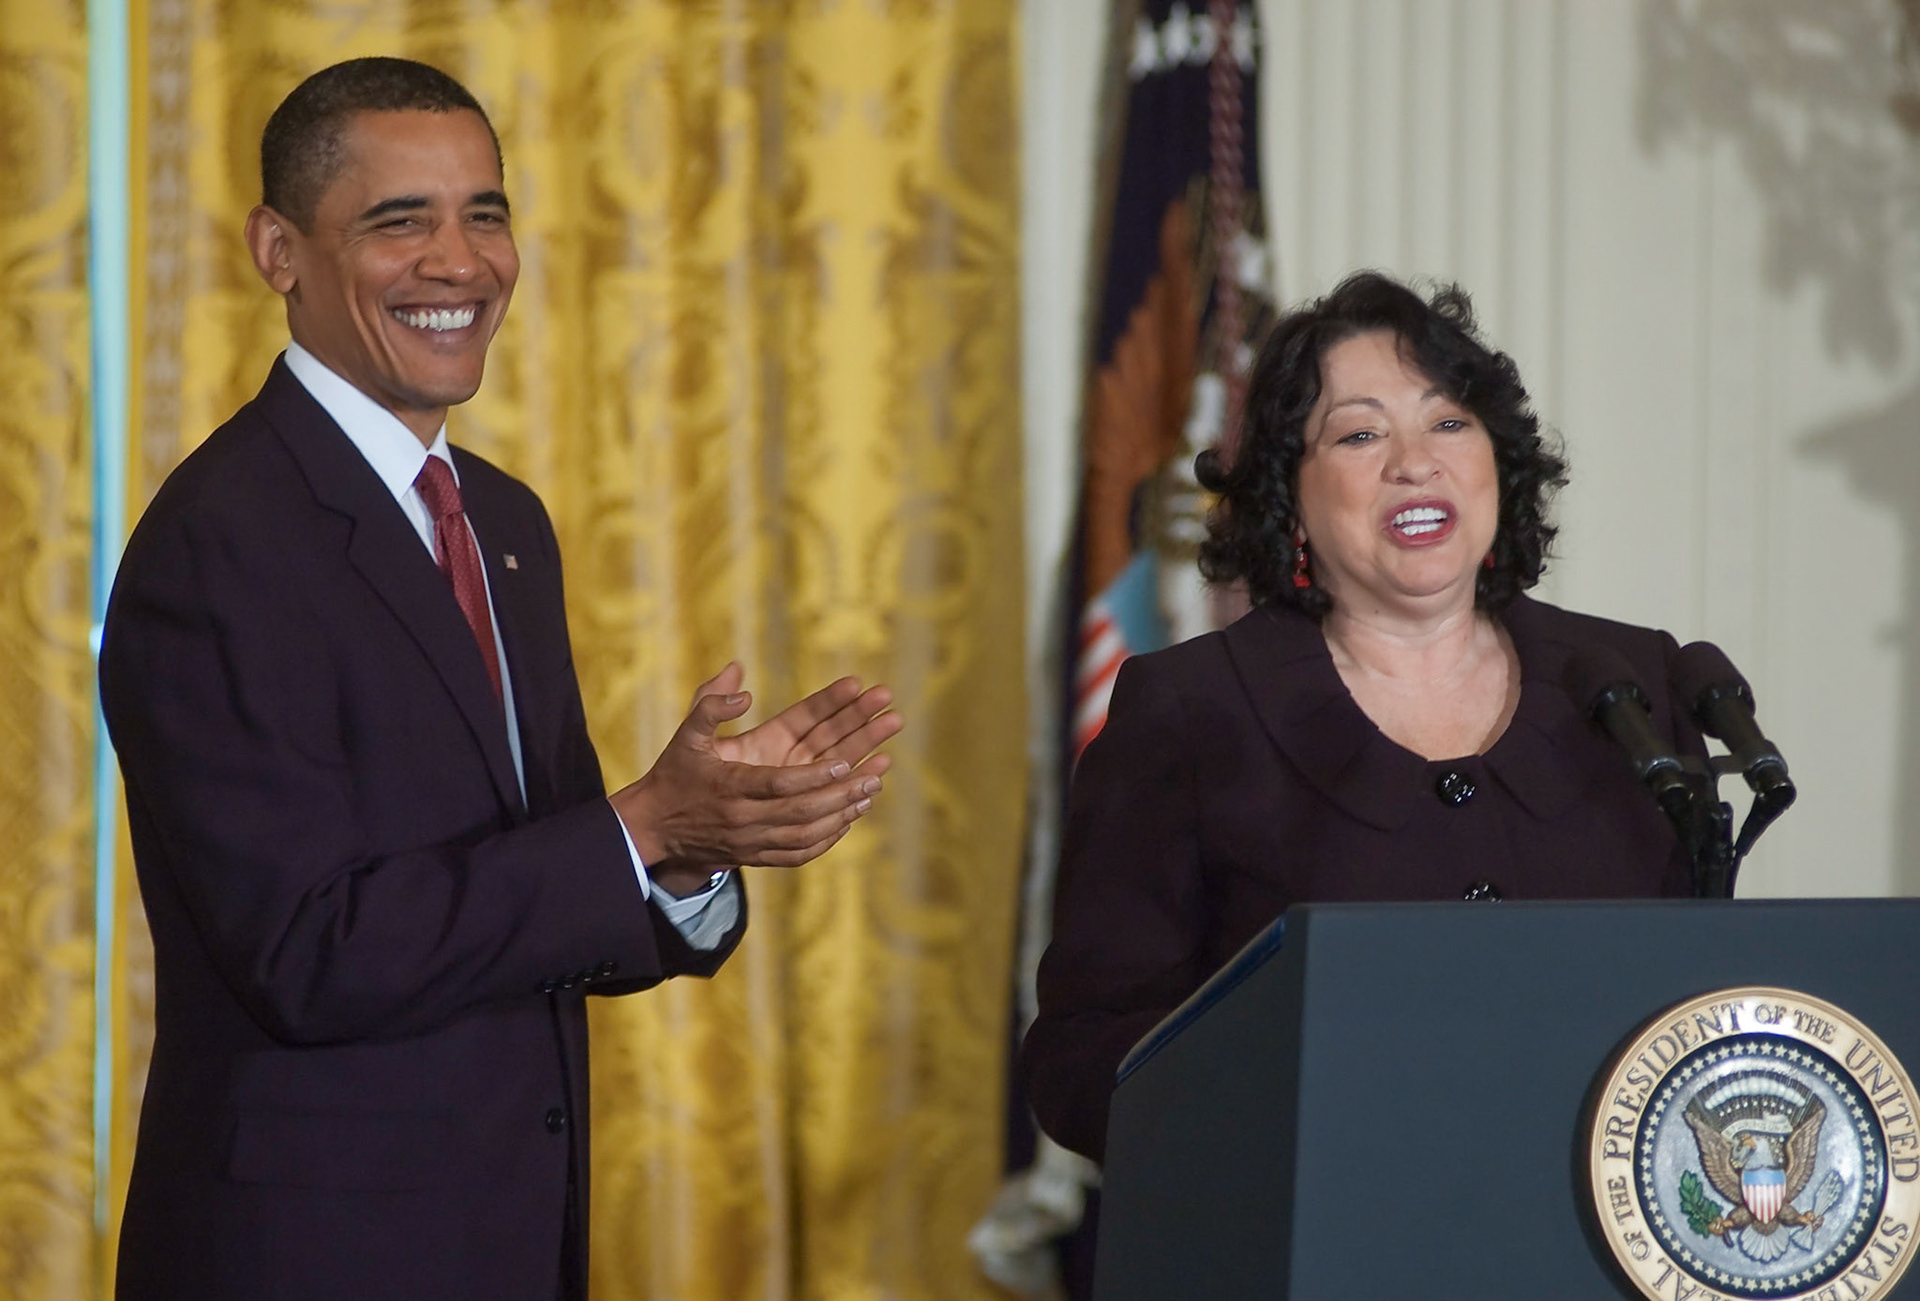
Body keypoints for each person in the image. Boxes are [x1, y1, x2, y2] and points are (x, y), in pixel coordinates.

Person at [99, 58, 899, 1301]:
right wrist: (638, 825)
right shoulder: (219, 540)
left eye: (486, 211)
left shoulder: (504, 522)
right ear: (278, 249)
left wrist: (682, 855)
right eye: (398, 219)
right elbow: (309, 951)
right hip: (308, 1257)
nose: (459, 261)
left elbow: (544, 892)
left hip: (509, 1241)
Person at [1021, 272, 1702, 1164]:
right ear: (1290, 497)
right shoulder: (1191, 711)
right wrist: (1289, 1105)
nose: (1415, 460)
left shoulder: (1630, 685)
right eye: (1359, 432)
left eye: (1449, 421)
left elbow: (1701, 1001)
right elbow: (1080, 1058)